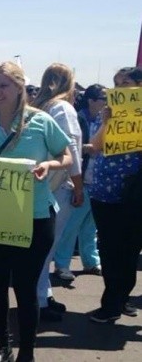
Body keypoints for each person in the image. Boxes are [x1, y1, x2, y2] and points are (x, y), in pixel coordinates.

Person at [0, 62, 72, 362]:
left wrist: (51, 165)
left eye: (4, 85)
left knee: (25, 286)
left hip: (36, 216)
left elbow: (67, 153)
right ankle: (2, 347)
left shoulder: (41, 121)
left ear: (20, 88)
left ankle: (27, 352)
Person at [87, 66, 142, 323]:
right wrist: (107, 122)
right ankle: (114, 300)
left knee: (129, 250)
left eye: (127, 83)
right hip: (104, 194)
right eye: (116, 84)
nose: (120, 88)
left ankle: (119, 298)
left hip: (134, 194)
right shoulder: (104, 114)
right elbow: (95, 147)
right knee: (109, 249)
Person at [30, 63, 84, 322]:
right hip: (58, 185)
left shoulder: (41, 107)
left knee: (41, 246)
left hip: (42, 184)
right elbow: (71, 151)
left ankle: (44, 294)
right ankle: (39, 299)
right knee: (47, 247)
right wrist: (79, 186)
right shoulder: (64, 108)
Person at [52, 85, 105, 279]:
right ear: (90, 100)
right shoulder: (78, 117)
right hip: (81, 180)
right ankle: (62, 264)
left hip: (97, 180)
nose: (106, 102)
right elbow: (68, 147)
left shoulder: (103, 120)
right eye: (102, 98)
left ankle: (91, 261)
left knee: (90, 227)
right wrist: (88, 148)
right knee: (70, 227)